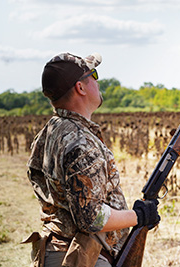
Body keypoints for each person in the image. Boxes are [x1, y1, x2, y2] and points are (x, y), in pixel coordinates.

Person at [22, 52, 160, 267]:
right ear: (80, 87)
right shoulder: (81, 143)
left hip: (55, 250)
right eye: (93, 74)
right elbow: (91, 218)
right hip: (82, 257)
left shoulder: (50, 130)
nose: (97, 81)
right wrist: (139, 216)